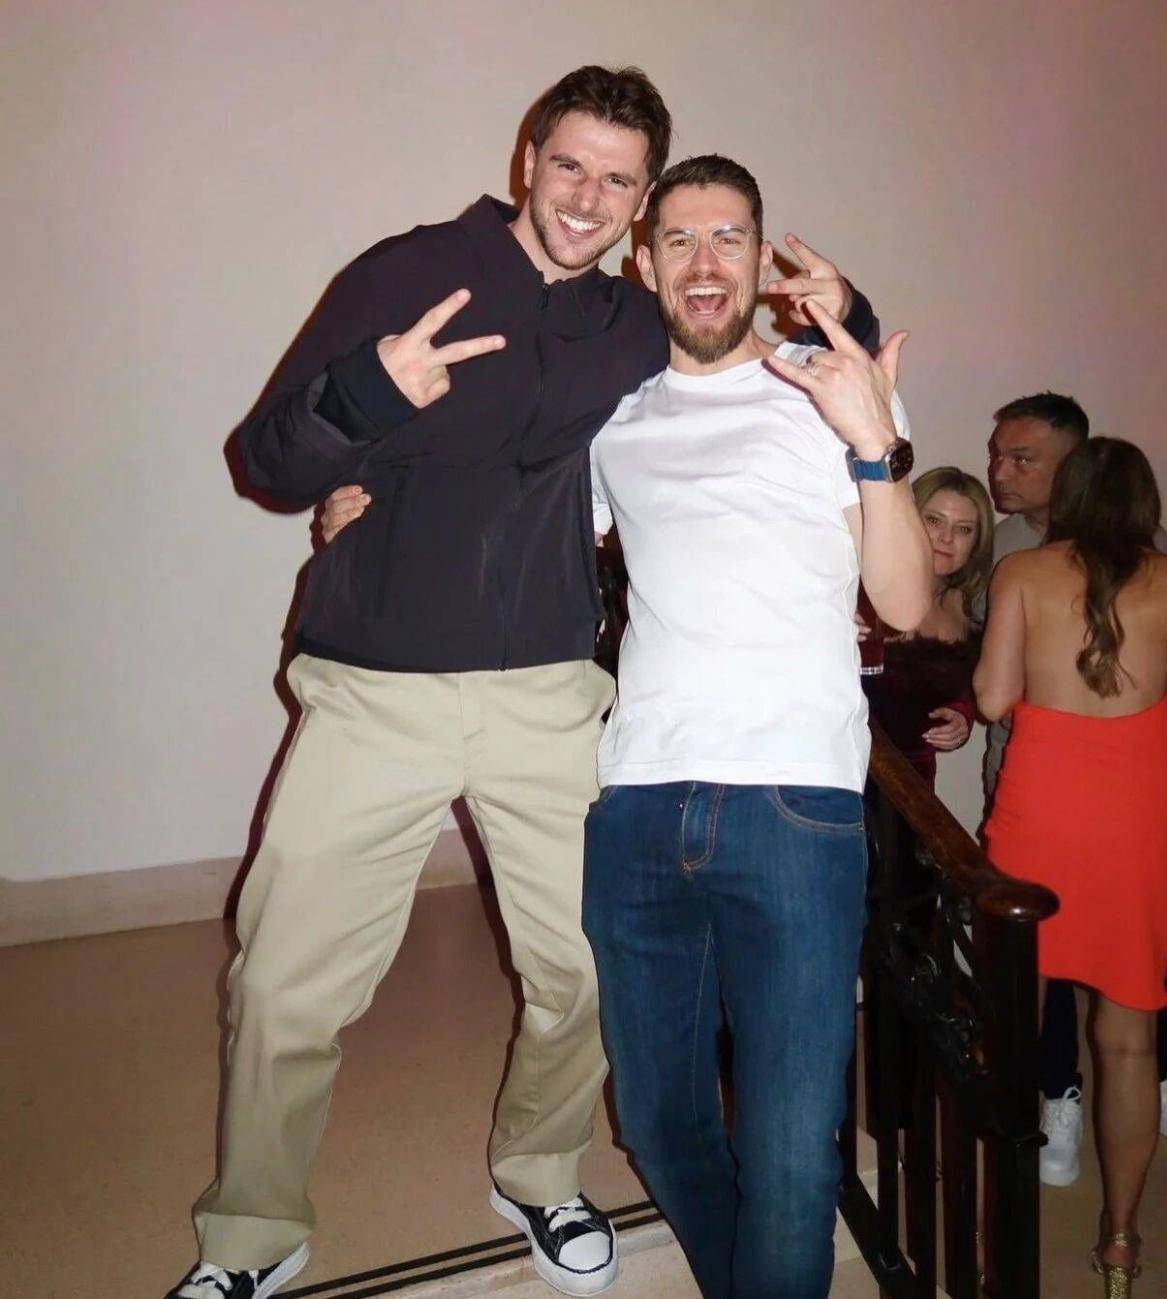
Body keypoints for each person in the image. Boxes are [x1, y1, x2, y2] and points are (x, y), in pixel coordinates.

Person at [170, 67, 879, 1299]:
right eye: (569, 166)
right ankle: (253, 1231)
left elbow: (751, 355)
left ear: (639, 202)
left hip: (548, 692)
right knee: (282, 983)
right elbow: (267, 461)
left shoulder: (628, 322)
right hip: (376, 688)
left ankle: (540, 1169)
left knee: (587, 975)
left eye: (617, 180)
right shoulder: (406, 270)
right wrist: (367, 394)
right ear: (526, 160)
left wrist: (850, 308)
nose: (586, 198)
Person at [580, 155, 931, 1299]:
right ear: (643, 263)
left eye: (728, 236)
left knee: (787, 1150)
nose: (704, 261)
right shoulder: (614, 422)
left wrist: (871, 443)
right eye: (678, 238)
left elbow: (906, 601)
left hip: (793, 804)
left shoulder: (828, 392)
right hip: (637, 804)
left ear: (762, 258)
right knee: (655, 1117)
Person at [975, 437, 1167, 1297]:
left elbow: (992, 697)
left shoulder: (1021, 573)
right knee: (1128, 1040)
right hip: (1136, 827)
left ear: (1071, 498)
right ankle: (1120, 1239)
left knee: (1013, 1029)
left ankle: (1001, 1224)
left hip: (1039, 819)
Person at [862, 466, 993, 787]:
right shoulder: (862, 586)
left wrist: (961, 716)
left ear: (977, 543)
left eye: (964, 529)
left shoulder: (967, 608)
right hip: (850, 775)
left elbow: (966, 691)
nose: (947, 538)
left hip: (915, 787)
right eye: (934, 521)